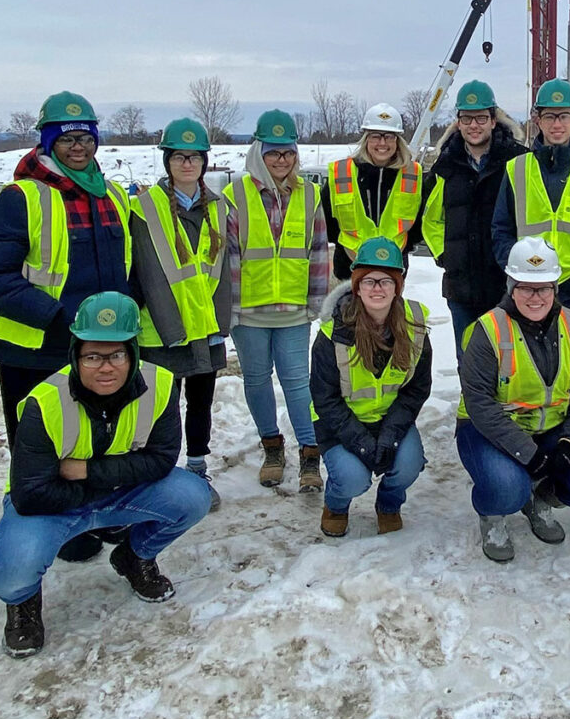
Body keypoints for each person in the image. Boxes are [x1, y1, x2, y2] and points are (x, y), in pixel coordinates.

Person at [0, 293, 212, 658]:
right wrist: (103, 488)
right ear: (75, 354)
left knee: (192, 496)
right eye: (92, 356)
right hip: (49, 507)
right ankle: (23, 603)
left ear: (133, 354)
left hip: (103, 492)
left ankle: (134, 557)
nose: (105, 367)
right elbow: (30, 494)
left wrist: (85, 472)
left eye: (117, 355)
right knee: (11, 573)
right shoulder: (44, 402)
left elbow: (161, 461)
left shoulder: (161, 386)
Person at [0, 92, 133, 450]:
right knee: (38, 448)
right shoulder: (21, 197)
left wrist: (126, 313)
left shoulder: (113, 195)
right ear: (48, 142)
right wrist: (58, 317)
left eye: (87, 138)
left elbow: (128, 268)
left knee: (93, 445)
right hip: (36, 351)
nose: (79, 148)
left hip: (100, 348)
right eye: (67, 139)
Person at [455, 237, 570, 562]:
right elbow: (480, 404)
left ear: (555, 289)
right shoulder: (486, 331)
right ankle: (493, 514)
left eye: (544, 287)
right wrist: (529, 455)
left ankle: (540, 499)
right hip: (489, 432)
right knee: (507, 489)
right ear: (511, 287)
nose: (535, 296)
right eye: (526, 287)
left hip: (554, 428)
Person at [225, 109, 331, 495]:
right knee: (255, 380)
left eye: (287, 152)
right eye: (273, 153)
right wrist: (230, 309)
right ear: (259, 153)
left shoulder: (309, 194)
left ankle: (309, 451)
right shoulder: (235, 195)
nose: (281, 160)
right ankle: (272, 447)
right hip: (248, 311)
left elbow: (319, 251)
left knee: (297, 383)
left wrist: (316, 302)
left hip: (292, 310)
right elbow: (230, 256)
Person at [130, 117, 231, 510]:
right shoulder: (143, 208)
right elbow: (139, 270)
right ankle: (163, 476)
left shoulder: (220, 208)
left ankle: (196, 468)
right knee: (162, 407)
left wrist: (220, 323)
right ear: (167, 161)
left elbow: (221, 271)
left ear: (204, 162)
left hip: (204, 327)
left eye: (194, 157)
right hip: (162, 329)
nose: (187, 164)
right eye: (178, 157)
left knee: (201, 403)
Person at [308, 236, 434, 537]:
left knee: (408, 464)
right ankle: (336, 504)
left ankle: (389, 504)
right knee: (354, 479)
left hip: (389, 420)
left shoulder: (414, 326)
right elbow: (325, 400)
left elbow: (416, 390)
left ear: (397, 287)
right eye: (368, 281)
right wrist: (362, 442)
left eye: (386, 281)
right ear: (357, 286)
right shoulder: (332, 333)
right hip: (339, 425)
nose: (377, 288)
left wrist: (389, 437)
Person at [492, 77, 570, 328]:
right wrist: (520, 274)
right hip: (529, 293)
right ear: (538, 120)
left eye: (563, 116)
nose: (557, 124)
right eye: (549, 116)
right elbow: (501, 229)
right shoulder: (517, 169)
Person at [420, 80, 525, 343]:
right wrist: (447, 255)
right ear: (458, 122)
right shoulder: (446, 166)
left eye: (480, 118)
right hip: (462, 288)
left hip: (506, 285)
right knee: (468, 363)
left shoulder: (518, 162)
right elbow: (431, 220)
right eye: (467, 119)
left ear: (493, 120)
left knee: (510, 363)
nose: (473, 125)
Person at [322, 101, 426, 281]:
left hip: (393, 270)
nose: (382, 143)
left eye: (389, 136)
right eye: (376, 136)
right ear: (366, 139)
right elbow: (326, 221)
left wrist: (403, 249)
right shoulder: (342, 174)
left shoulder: (413, 175)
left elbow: (420, 222)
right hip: (349, 268)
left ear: (398, 140)